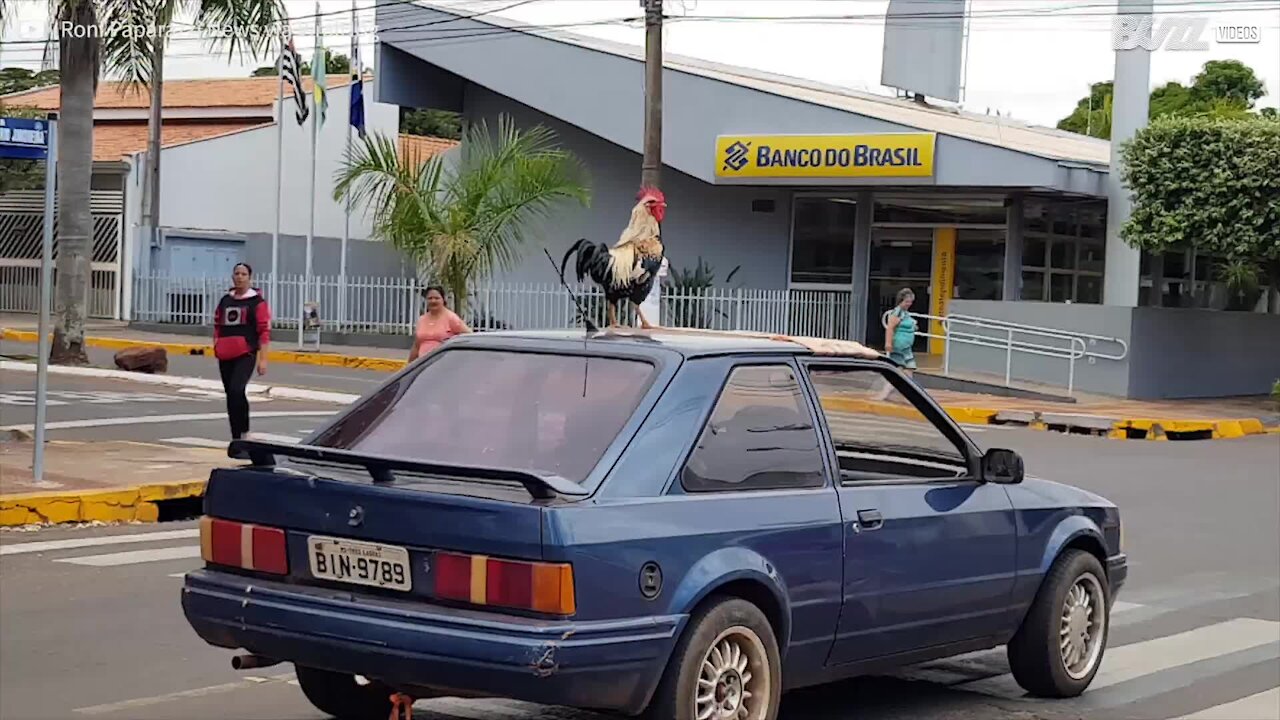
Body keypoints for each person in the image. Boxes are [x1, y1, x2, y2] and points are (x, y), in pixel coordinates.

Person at [214, 263, 270, 457]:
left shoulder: (257, 302)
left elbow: (263, 332)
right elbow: (217, 325)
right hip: (225, 353)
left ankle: (244, 433)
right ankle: (235, 437)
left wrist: (263, 359)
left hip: (245, 353)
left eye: (243, 274)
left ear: (250, 277)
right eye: (236, 273)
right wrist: (216, 344)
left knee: (238, 389)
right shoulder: (225, 300)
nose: (239, 277)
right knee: (231, 394)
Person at [409, 285, 471, 362]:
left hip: (444, 364)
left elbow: (469, 337)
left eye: (436, 298)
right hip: (423, 364)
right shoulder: (422, 320)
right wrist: (409, 366)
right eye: (430, 298)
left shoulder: (451, 318)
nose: (433, 301)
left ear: (443, 299)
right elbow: (416, 346)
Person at [884, 287, 918, 371]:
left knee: (909, 369)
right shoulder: (897, 312)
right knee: (899, 370)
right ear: (900, 301)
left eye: (910, 302)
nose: (909, 304)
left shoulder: (905, 313)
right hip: (899, 347)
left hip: (906, 347)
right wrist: (888, 343)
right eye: (906, 302)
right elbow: (890, 328)